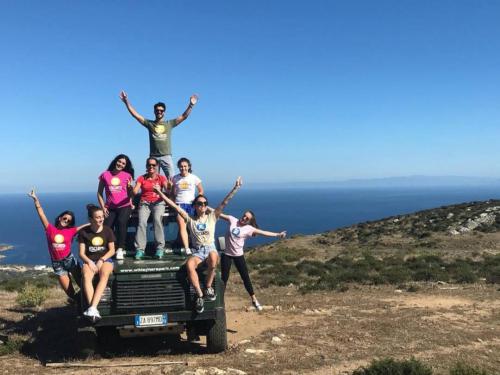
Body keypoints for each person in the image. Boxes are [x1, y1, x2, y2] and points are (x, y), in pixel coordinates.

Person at [153, 177, 242, 313]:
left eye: (205, 203)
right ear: (195, 206)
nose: (202, 206)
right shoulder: (190, 219)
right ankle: (200, 295)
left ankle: (208, 286)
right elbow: (174, 205)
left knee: (213, 257)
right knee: (189, 265)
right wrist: (160, 193)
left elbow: (224, 203)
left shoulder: (212, 217)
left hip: (210, 247)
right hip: (198, 251)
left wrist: (235, 188)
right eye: (199, 203)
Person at [119, 90, 198, 178]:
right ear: (154, 111)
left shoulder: (169, 124)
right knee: (153, 179)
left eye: (161, 110)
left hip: (166, 156)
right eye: (157, 110)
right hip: (153, 157)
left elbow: (184, 116)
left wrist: (191, 105)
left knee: (171, 180)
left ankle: (170, 192)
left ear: (164, 112)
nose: (159, 112)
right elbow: (135, 115)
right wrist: (126, 101)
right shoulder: (149, 124)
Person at [28, 188, 88, 301]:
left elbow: (86, 226)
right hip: (57, 264)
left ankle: (89, 302)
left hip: (70, 260)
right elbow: (41, 213)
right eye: (65, 218)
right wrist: (36, 200)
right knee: (70, 293)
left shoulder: (71, 231)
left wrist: (99, 220)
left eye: (69, 221)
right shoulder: (49, 229)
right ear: (60, 217)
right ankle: (80, 304)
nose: (66, 221)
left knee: (84, 284)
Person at [219, 211, 286, 311]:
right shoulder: (232, 219)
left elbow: (264, 233)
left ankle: (254, 299)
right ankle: (220, 301)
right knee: (224, 278)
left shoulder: (249, 229)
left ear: (249, 221)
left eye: (247, 218)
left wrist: (278, 234)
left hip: (238, 255)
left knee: (245, 277)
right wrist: (205, 206)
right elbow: (217, 213)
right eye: (244, 216)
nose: (244, 218)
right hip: (227, 255)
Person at [79, 204, 116, 321]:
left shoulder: (107, 230)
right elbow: (81, 253)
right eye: (98, 217)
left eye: (102, 217)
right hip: (89, 260)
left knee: (104, 275)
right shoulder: (84, 232)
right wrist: (89, 262)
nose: (101, 219)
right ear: (91, 219)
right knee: (86, 276)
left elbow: (112, 250)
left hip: (105, 259)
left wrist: (101, 260)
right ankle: (93, 309)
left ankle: (92, 308)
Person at [97, 154, 134, 260]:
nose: (120, 164)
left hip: (124, 205)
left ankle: (120, 249)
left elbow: (131, 194)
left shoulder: (127, 176)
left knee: (121, 222)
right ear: (115, 161)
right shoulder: (105, 175)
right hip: (110, 207)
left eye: (123, 163)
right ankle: (110, 249)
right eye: (119, 162)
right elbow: (99, 192)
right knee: (107, 227)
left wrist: (131, 189)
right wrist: (103, 207)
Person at [132, 157, 170, 260]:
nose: (151, 167)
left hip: (158, 202)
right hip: (144, 203)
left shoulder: (161, 178)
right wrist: (131, 188)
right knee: (141, 222)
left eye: (153, 165)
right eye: (149, 165)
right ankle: (140, 249)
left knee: (157, 220)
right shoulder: (141, 178)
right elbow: (135, 191)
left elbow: (168, 190)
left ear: (157, 166)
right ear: (146, 166)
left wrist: (169, 186)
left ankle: (159, 248)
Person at [171, 157, 204, 252]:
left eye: (185, 166)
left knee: (193, 227)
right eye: (181, 166)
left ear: (189, 166)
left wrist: (197, 200)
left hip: (191, 204)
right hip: (180, 205)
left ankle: (197, 245)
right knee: (182, 226)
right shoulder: (175, 178)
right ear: (178, 167)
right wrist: (174, 204)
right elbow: (173, 193)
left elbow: (201, 190)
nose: (183, 168)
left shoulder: (194, 177)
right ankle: (186, 248)